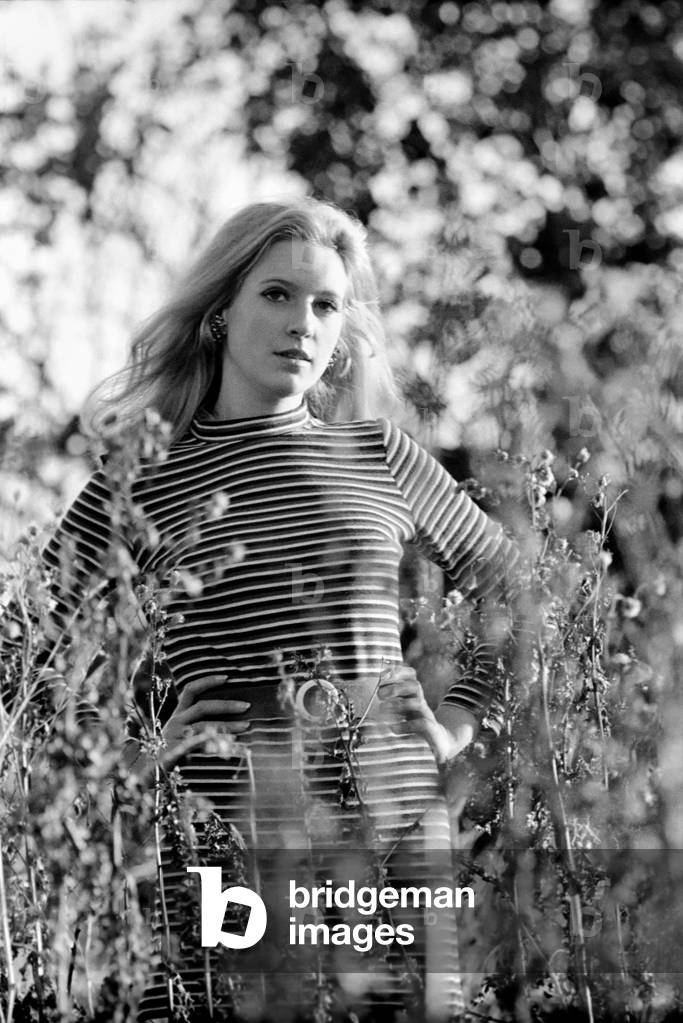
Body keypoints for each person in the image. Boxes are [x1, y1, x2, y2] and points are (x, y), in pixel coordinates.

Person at [11, 197, 520, 1022]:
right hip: (225, 838)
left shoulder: (379, 454)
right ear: (220, 312)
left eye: (326, 305)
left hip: (394, 833)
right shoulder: (139, 480)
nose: (302, 324)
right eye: (277, 294)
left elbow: (518, 592)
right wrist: (132, 754)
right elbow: (25, 657)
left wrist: (459, 723)